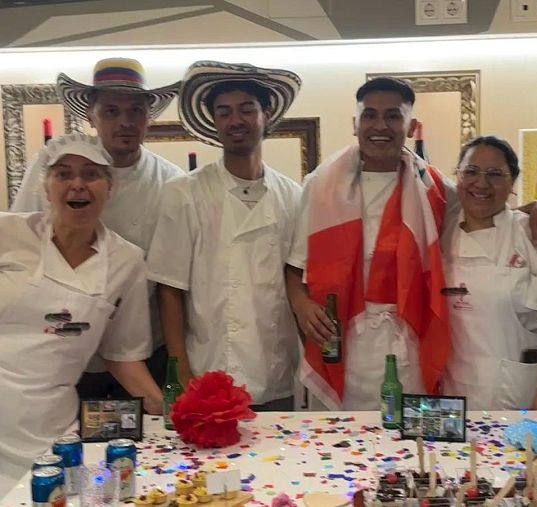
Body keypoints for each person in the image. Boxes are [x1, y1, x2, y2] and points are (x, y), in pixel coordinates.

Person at [0, 134, 163, 493]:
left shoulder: (126, 261)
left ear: (110, 187)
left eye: (91, 174)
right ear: (46, 185)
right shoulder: (7, 232)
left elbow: (123, 355)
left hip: (51, 431)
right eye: (63, 174)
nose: (77, 183)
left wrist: (169, 411)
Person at [11, 58, 182, 396]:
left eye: (135, 111)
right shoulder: (51, 168)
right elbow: (23, 250)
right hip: (57, 348)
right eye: (111, 111)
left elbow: (173, 280)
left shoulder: (173, 184)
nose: (125, 122)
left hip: (142, 348)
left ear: (149, 116)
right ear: (91, 116)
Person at [286, 77, 455, 410]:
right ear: (355, 124)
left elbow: (487, 209)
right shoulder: (321, 186)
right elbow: (293, 270)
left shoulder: (435, 188)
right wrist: (303, 306)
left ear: (411, 126)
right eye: (370, 115)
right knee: (340, 451)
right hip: (344, 345)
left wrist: (536, 209)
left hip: (409, 344)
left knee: (406, 447)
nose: (380, 126)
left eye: (393, 116)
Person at [146, 61, 303, 411]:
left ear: (266, 113)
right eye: (224, 112)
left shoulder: (293, 196)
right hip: (208, 370)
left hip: (276, 372)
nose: (236, 121)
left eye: (247, 109)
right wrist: (181, 370)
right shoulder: (185, 192)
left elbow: (298, 281)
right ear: (214, 121)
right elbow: (169, 289)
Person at [441, 136, 537, 410]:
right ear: (457, 177)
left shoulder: (533, 234)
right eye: (471, 172)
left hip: (520, 389)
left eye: (495, 175)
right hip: (453, 388)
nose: (481, 183)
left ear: (512, 181)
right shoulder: (441, 231)